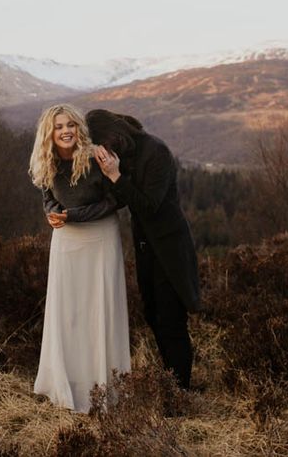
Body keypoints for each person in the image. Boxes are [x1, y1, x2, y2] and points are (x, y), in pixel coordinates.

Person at [85, 109, 200, 389]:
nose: (104, 151)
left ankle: (181, 389)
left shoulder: (156, 152)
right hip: (146, 245)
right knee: (153, 314)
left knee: (171, 318)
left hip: (170, 246)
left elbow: (149, 205)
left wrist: (115, 176)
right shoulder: (124, 154)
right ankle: (172, 380)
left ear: (112, 134)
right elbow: (119, 200)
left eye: (102, 143)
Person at [29, 104, 130, 413]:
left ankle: (104, 387)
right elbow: (49, 197)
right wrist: (51, 214)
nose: (66, 130)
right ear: (50, 132)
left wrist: (73, 215)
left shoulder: (97, 156)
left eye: (71, 124)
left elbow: (118, 199)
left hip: (101, 239)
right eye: (59, 126)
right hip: (66, 243)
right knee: (69, 313)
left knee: (99, 311)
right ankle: (66, 385)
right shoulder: (46, 160)